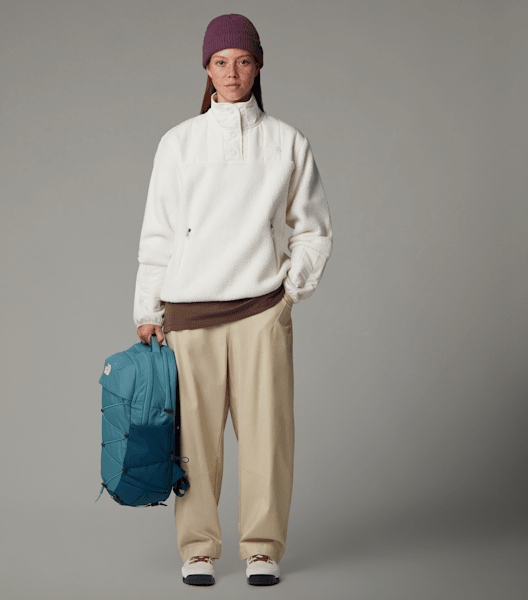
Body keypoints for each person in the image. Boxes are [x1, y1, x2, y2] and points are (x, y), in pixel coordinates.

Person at [133, 14, 333, 586]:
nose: (231, 72)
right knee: (193, 444)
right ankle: (198, 549)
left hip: (260, 311)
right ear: (206, 67)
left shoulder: (287, 142)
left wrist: (290, 291)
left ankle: (262, 548)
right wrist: (147, 309)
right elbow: (158, 233)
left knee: (268, 439)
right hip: (188, 314)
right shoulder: (178, 142)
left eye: (243, 61)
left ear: (258, 66)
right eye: (220, 61)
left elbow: (313, 228)